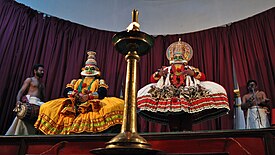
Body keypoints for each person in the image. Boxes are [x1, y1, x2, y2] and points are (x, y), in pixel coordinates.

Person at [137, 39, 230, 131]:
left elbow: (202, 77)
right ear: (172, 57)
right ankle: (175, 133)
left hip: (187, 95)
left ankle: (186, 133)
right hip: (169, 96)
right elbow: (152, 79)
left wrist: (192, 73)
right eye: (176, 57)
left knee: (187, 120)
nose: (178, 59)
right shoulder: (166, 69)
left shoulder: (190, 68)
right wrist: (160, 74)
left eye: (180, 57)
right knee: (173, 120)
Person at [34, 51, 124, 134]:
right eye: (87, 68)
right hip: (74, 102)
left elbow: (102, 92)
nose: (89, 70)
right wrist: (75, 94)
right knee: (46, 107)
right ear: (84, 69)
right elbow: (66, 91)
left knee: (118, 105)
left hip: (92, 103)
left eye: (92, 68)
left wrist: (88, 97)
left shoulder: (99, 82)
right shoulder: (75, 81)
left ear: (96, 69)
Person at [6, 64, 45, 135]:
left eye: (43, 71)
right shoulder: (30, 80)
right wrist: (18, 101)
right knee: (22, 120)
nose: (42, 72)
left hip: (38, 103)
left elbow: (43, 97)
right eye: (41, 70)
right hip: (30, 102)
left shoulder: (42, 84)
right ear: (35, 71)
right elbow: (21, 91)